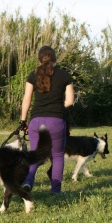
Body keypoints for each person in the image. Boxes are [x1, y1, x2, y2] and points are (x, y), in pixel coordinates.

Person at [19, 45, 75, 195]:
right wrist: (56, 106)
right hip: (56, 120)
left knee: (35, 154)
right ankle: (56, 191)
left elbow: (26, 100)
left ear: (39, 59)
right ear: (55, 59)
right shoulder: (65, 76)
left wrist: (23, 121)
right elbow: (70, 101)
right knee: (57, 156)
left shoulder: (32, 75)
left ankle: (27, 182)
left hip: (36, 121)